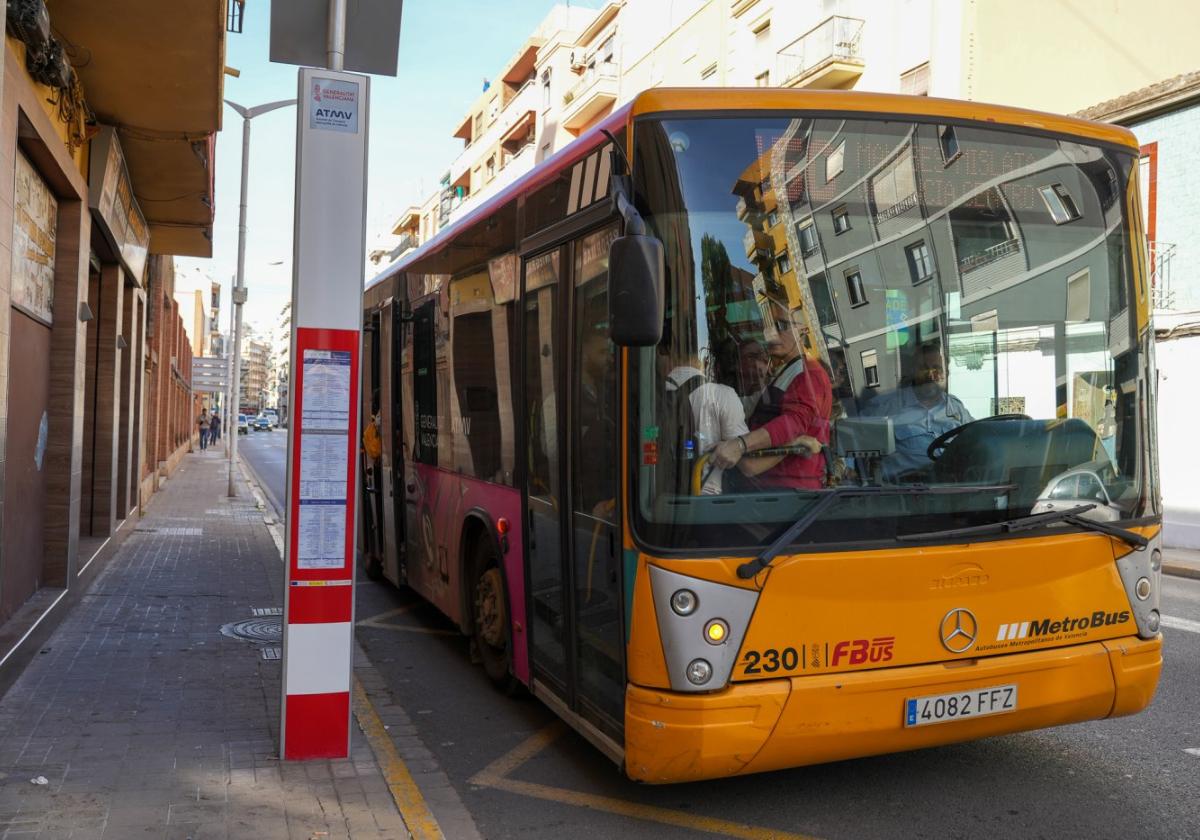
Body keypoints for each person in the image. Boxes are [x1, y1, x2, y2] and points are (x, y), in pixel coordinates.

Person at [710, 312, 832, 489]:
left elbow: (794, 423)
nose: (771, 334)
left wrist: (740, 445)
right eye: (768, 327)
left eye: (782, 326)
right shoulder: (789, 370)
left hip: (789, 491)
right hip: (773, 488)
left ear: (803, 330)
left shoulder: (809, 374)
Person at [866, 343, 973, 481]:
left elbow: (977, 442)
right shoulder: (889, 406)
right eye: (924, 369)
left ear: (946, 373)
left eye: (937, 369)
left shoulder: (956, 407)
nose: (930, 375)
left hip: (951, 489)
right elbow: (854, 441)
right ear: (913, 372)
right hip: (903, 492)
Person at [663, 349, 749, 495]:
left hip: (657, 497)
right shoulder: (722, 395)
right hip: (708, 501)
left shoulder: (649, 392)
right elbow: (748, 464)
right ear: (707, 361)